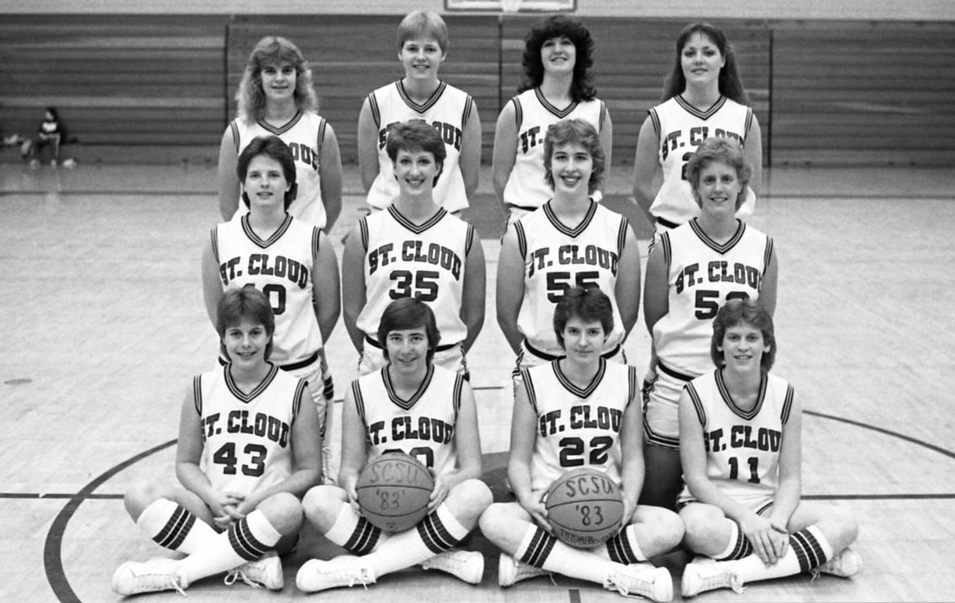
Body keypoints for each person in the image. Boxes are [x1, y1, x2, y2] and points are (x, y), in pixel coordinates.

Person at [111, 287, 322, 596]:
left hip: (267, 515)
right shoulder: (201, 387)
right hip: (212, 511)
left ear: (269, 335)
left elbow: (309, 470)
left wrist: (253, 502)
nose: (246, 343)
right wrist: (211, 497)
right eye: (236, 333)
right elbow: (185, 463)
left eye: (255, 332)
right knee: (138, 494)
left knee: (289, 508)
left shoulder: (295, 391)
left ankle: (179, 572)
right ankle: (248, 564)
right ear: (222, 336)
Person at [479, 287, 684, 603]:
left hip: (608, 504)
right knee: (493, 519)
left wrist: (629, 500)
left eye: (593, 331)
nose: (583, 341)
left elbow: (632, 457)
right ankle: (613, 572)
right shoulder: (534, 381)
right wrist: (528, 498)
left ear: (607, 335)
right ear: (560, 335)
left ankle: (543, 564)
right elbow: (518, 460)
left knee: (670, 526)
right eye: (573, 331)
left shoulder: (625, 379)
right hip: (549, 507)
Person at [295, 298, 493, 591]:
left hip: (435, 510)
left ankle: (366, 566)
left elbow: (473, 467)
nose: (406, 348)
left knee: (478, 494)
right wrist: (351, 485)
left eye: (416, 338)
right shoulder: (361, 390)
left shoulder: (455, 387)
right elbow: (349, 468)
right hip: (380, 512)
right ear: (384, 344)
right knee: (316, 500)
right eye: (396, 338)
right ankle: (435, 558)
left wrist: (448, 483)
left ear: (431, 342)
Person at [677, 300, 861, 597]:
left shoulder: (786, 395)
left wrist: (775, 523)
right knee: (697, 530)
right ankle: (807, 558)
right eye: (733, 337)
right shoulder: (695, 395)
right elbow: (696, 480)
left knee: (845, 524)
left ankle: (728, 572)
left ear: (766, 345)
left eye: (752, 338)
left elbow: (790, 479)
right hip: (713, 507)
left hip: (765, 504)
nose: (743, 346)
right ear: (720, 345)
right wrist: (747, 521)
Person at [639, 137, 778, 510]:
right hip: (676, 384)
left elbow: (763, 322)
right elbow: (654, 318)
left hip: (729, 390)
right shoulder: (668, 246)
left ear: (741, 186)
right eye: (709, 180)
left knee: (731, 504)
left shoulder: (762, 247)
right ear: (696, 188)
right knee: (655, 503)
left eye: (727, 179)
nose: (718, 188)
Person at [202, 135, 341, 460]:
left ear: (290, 182)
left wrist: (298, 343)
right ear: (243, 183)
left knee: (306, 474)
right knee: (239, 472)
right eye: (255, 175)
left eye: (274, 175)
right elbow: (216, 310)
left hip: (297, 371)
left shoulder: (313, 240)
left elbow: (330, 309)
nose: (264, 183)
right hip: (240, 371)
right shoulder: (219, 239)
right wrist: (245, 348)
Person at [495, 118, 639, 374]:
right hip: (541, 364)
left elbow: (627, 314)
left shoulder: (619, 230)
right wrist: (538, 360)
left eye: (580, 158)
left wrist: (592, 353)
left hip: (604, 364)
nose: (570, 167)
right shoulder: (522, 232)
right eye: (561, 157)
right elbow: (506, 316)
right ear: (548, 163)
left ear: (594, 165)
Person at [342, 120, 486, 377]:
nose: (414, 171)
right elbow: (352, 309)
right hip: (381, 360)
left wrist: (447, 353)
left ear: (439, 166)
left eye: (423, 161)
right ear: (394, 168)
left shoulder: (464, 235)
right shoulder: (365, 232)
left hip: (444, 361)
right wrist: (376, 352)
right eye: (405, 161)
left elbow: (475, 315)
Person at [632, 23, 763, 244]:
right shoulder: (658, 118)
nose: (698, 59)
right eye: (690, 53)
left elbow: (750, 188)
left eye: (709, 52)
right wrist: (666, 225)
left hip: (726, 238)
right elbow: (640, 187)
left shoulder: (745, 119)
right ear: (680, 60)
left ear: (722, 60)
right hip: (672, 235)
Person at [491, 15, 613, 226]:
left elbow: (600, 179)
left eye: (566, 42)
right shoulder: (517, 109)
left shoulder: (597, 111)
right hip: (527, 217)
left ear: (578, 53)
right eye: (549, 44)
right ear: (538, 55)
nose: (558, 49)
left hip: (581, 221)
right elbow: (499, 177)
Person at [357, 10, 482, 214]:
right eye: (412, 48)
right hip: (387, 217)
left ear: (443, 53)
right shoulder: (376, 103)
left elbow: (471, 180)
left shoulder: (463, 105)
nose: (421, 57)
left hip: (444, 218)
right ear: (400, 52)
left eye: (430, 49)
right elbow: (368, 177)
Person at [217, 36, 342, 233]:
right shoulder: (236, 132)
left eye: (287, 70)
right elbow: (227, 205)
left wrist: (311, 241)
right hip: (253, 249)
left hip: (304, 247)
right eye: (270, 71)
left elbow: (333, 204)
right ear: (257, 78)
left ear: (298, 76)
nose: (279, 78)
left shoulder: (321, 131)